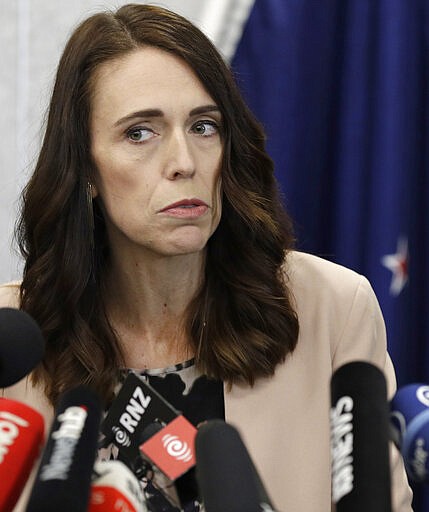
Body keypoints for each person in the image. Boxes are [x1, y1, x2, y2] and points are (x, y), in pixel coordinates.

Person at [0, 3, 413, 511]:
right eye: (139, 132)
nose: (184, 163)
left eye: (203, 127)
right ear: (84, 169)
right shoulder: (13, 341)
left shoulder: (331, 309)